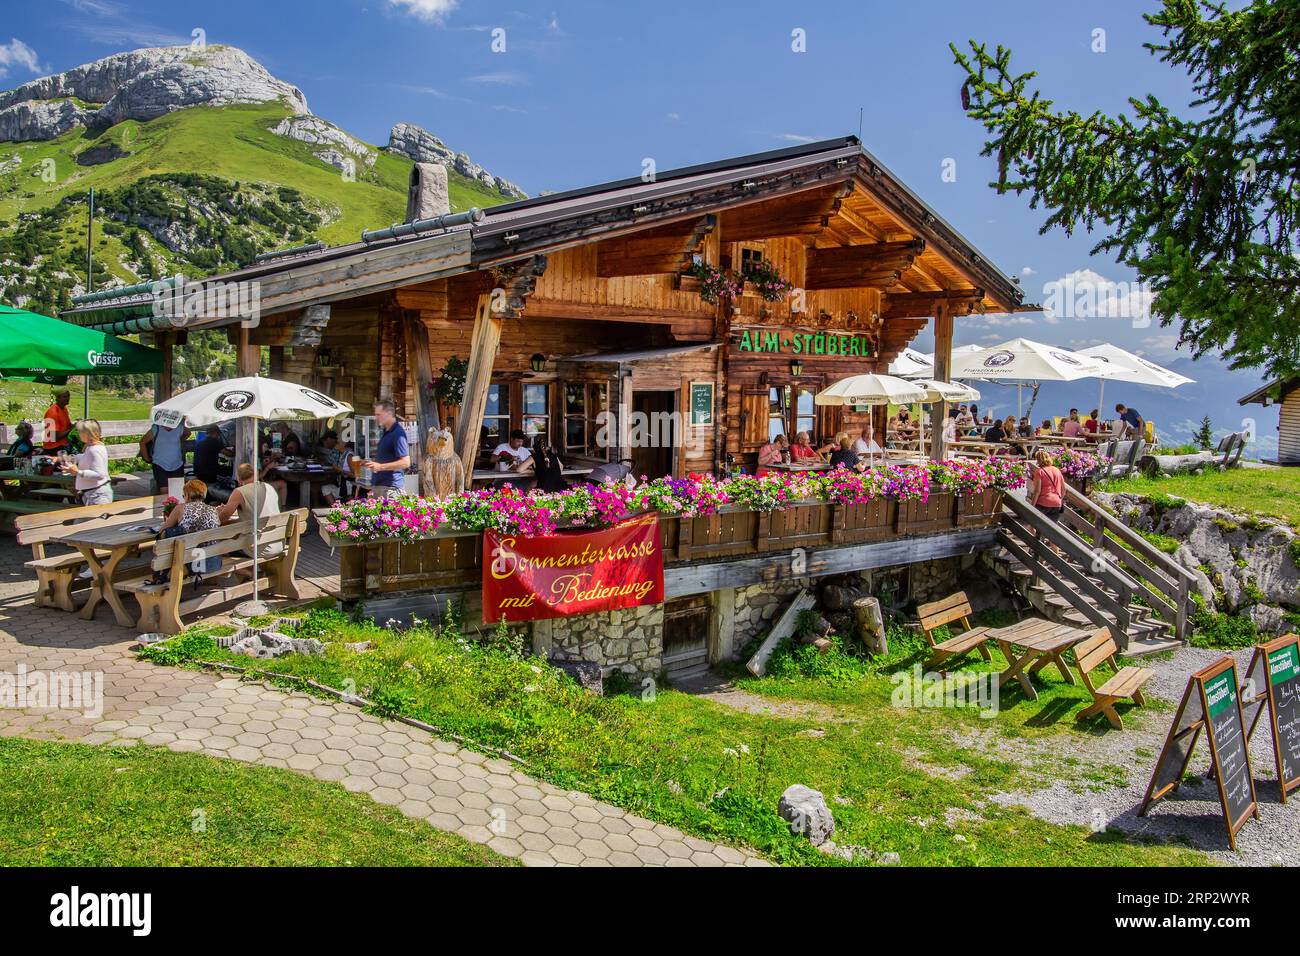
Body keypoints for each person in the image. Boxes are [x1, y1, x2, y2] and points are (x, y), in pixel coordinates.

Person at [217, 461, 283, 557]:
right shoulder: (268, 487)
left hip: (259, 548)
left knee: (218, 546)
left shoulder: (239, 492)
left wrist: (220, 511)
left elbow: (222, 518)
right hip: (278, 543)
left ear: (238, 479)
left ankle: (248, 572)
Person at [363, 399, 410, 499]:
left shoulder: (398, 433)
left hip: (390, 489)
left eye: (378, 414)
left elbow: (406, 462)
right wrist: (372, 463)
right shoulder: (387, 432)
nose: (376, 418)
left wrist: (380, 467)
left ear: (389, 413)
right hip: (383, 488)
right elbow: (388, 458)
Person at [61, 419, 111, 505]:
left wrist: (78, 472)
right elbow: (83, 457)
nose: (78, 434)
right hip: (91, 495)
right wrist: (60, 458)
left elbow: (100, 475)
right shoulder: (92, 447)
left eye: (80, 432)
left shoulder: (95, 450)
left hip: (97, 496)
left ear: (86, 434)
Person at [140, 420, 189, 494]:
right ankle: (165, 505)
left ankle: (175, 505)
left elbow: (188, 433)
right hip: (160, 464)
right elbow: (142, 442)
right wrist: (146, 458)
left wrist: (180, 440)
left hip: (177, 464)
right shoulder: (156, 428)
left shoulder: (179, 428)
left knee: (178, 491)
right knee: (164, 491)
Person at [1029, 449, 1066, 521]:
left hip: (1043, 503)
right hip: (1056, 503)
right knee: (1052, 529)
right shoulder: (1057, 470)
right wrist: (1058, 500)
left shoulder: (1040, 472)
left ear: (1038, 460)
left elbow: (1037, 491)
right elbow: (1063, 490)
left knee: (1040, 527)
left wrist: (1032, 506)